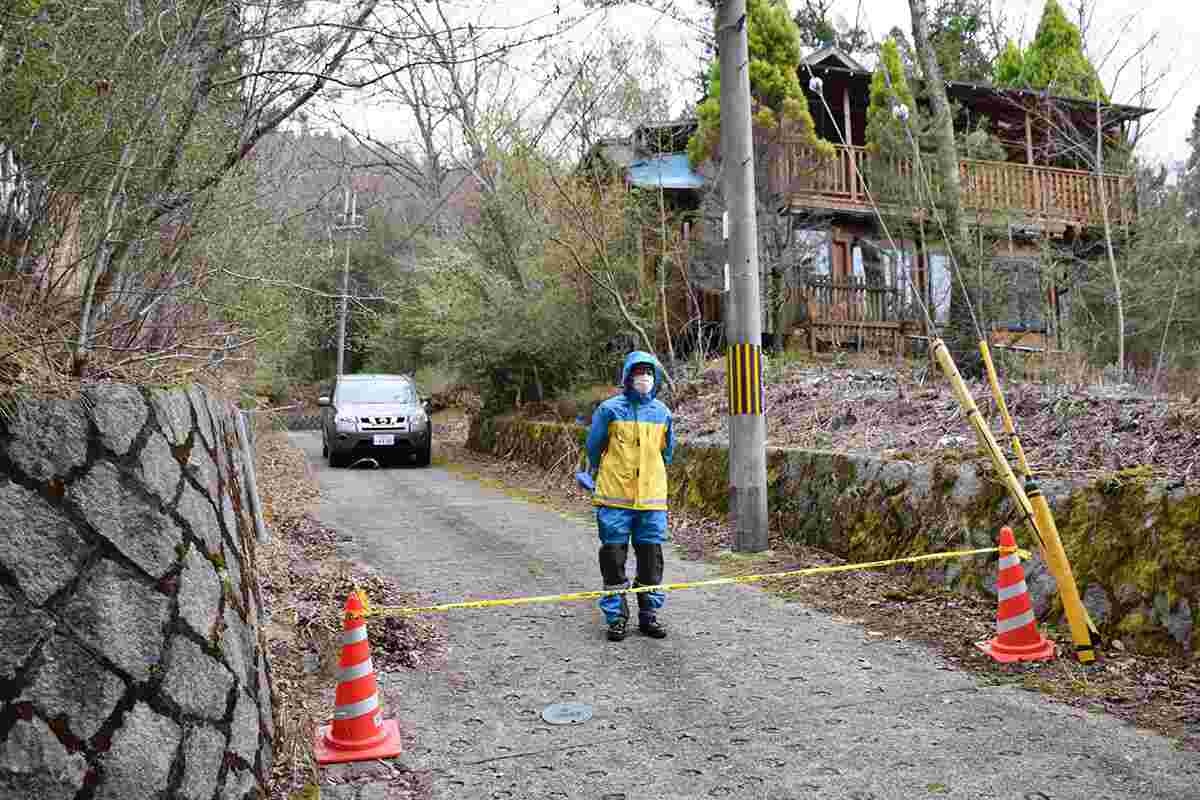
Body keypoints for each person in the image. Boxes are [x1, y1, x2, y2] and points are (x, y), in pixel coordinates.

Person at [584, 351, 674, 641]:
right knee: (613, 558)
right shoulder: (609, 410)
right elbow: (593, 447)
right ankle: (616, 618)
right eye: (638, 372)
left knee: (651, 561)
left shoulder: (662, 413)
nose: (643, 378)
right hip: (614, 499)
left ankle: (649, 615)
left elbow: (667, 453)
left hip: (651, 500)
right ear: (627, 376)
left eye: (648, 372)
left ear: (655, 377)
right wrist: (595, 474)